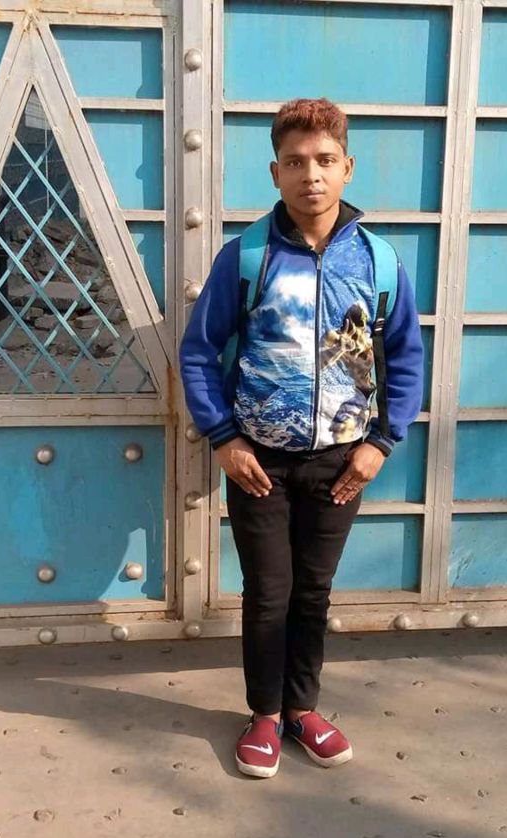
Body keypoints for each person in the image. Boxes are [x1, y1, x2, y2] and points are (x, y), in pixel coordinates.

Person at [179, 98, 424, 778]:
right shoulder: (247, 257)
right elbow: (199, 352)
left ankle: (302, 709)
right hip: (257, 461)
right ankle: (263, 714)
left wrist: (381, 442)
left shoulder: (378, 261)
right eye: (294, 162)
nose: (310, 175)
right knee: (269, 591)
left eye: (324, 160)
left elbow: (405, 357)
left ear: (347, 167)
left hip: (342, 462)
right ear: (275, 172)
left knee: (313, 591)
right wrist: (223, 437)